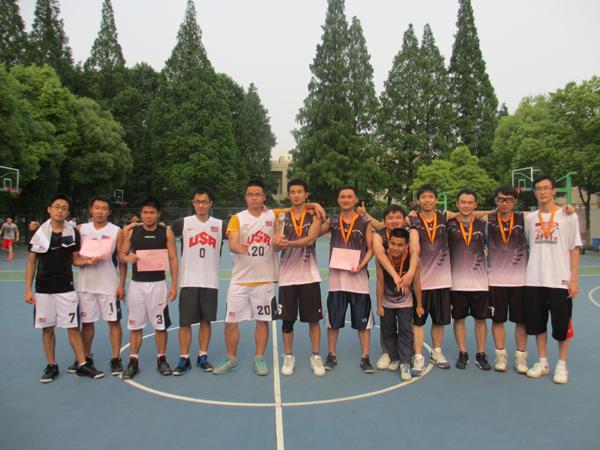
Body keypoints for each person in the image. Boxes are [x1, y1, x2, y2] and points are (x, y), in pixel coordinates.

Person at [25, 194, 104, 382]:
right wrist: (28, 289)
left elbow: (75, 259)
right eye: (57, 206)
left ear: (68, 212)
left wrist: (87, 262)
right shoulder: (39, 233)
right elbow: (31, 263)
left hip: (66, 287)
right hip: (44, 288)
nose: (60, 210)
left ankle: (82, 364)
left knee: (73, 327)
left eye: (64, 208)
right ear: (49, 209)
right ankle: (51, 365)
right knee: (47, 328)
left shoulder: (73, 233)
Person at [213, 180, 279, 376]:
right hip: (240, 281)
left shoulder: (273, 215)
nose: (254, 198)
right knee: (231, 322)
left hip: (264, 280)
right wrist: (236, 247)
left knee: (262, 321)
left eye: (258, 194)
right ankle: (231, 358)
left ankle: (259, 358)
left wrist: (314, 204)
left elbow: (296, 207)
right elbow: (232, 243)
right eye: (250, 194)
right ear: (245, 197)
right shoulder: (238, 218)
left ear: (264, 197)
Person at [524, 175, 581, 384]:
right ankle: (543, 362)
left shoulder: (568, 216)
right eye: (538, 188)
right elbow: (529, 246)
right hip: (534, 280)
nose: (542, 192)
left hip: (560, 280)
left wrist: (574, 279)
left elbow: (574, 249)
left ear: (554, 191)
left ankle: (562, 365)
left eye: (546, 188)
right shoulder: (530, 219)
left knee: (561, 326)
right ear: (535, 192)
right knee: (538, 324)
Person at [119, 197, 178, 379]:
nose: (148, 216)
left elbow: (173, 258)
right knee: (136, 325)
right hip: (137, 285)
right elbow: (121, 254)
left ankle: (161, 360)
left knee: (161, 325)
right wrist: (126, 257)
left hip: (158, 285)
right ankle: (133, 362)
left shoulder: (166, 232)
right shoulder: (133, 232)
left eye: (152, 212)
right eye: (145, 212)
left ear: (158, 214)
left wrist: (174, 285)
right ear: (140, 214)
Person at [272, 179, 325, 377]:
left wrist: (288, 244)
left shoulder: (314, 215)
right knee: (287, 321)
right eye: (292, 192)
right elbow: (276, 247)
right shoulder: (281, 217)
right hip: (287, 278)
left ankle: (316, 356)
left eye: (299, 191)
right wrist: (277, 243)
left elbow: (310, 239)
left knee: (314, 320)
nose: (296, 195)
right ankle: (288, 356)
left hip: (309, 277)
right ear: (288, 195)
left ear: (306, 194)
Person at [170, 187, 226, 375]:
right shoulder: (183, 223)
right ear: (193, 203)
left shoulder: (220, 225)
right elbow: (166, 233)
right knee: (185, 322)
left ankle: (203, 355)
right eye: (197, 202)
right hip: (188, 280)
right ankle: (184, 357)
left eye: (204, 202)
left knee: (206, 321)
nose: (201, 205)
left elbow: (242, 231)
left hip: (210, 281)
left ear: (211, 203)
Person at [69, 195, 127, 376]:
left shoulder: (116, 231)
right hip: (86, 285)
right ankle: (86, 358)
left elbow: (122, 260)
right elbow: (74, 259)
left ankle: (116, 358)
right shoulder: (80, 229)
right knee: (87, 324)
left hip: (109, 285)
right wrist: (86, 262)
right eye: (97, 208)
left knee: (113, 322)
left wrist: (121, 285)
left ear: (109, 211)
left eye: (104, 209)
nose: (100, 211)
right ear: (91, 210)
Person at [358, 204, 420, 372]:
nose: (394, 221)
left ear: (404, 219)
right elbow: (379, 254)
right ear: (384, 221)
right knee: (387, 323)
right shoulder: (379, 235)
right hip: (388, 283)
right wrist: (395, 276)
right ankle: (388, 353)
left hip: (406, 283)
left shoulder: (411, 233)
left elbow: (415, 252)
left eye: (398, 217)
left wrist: (410, 274)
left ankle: (407, 354)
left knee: (406, 323)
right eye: (390, 218)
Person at [321, 186, 374, 373]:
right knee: (333, 322)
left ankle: (365, 357)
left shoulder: (365, 222)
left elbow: (371, 249)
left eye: (349, 196)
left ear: (356, 199)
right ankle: (331, 355)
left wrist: (361, 264)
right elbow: (314, 233)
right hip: (337, 282)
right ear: (338, 200)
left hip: (359, 281)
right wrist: (314, 212)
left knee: (363, 324)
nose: (345, 199)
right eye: (342, 196)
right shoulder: (333, 221)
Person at [408, 185, 454, 374]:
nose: (427, 200)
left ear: (436, 199)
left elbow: (469, 213)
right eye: (423, 197)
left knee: (439, 320)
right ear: (418, 200)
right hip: (420, 281)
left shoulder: (445, 216)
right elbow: (387, 223)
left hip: (442, 280)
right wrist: (365, 216)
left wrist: (494, 211)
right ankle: (418, 356)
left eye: (430, 197)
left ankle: (436, 352)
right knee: (418, 321)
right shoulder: (411, 219)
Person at [447, 189, 491, 371]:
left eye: (470, 202)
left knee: (481, 320)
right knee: (459, 319)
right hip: (456, 283)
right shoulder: (449, 224)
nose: (466, 205)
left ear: (475, 204)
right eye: (463, 202)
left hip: (480, 283)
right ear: (457, 204)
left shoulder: (483, 225)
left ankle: (480, 354)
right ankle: (463, 353)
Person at [486, 186, 529, 373]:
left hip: (520, 281)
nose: (504, 203)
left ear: (515, 201)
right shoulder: (488, 220)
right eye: (500, 199)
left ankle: (521, 357)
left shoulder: (524, 219)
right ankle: (501, 355)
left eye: (508, 199)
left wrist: (565, 208)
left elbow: (547, 213)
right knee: (498, 320)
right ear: (496, 201)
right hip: (496, 280)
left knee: (521, 321)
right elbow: (466, 213)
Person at [376, 228, 423, 381]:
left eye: (400, 245)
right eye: (393, 244)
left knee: (405, 331)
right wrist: (379, 305)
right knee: (388, 331)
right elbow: (380, 282)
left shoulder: (413, 260)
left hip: (405, 303)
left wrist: (419, 305)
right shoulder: (382, 259)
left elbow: (417, 283)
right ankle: (394, 357)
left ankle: (405, 363)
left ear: (407, 245)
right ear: (388, 243)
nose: (395, 248)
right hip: (387, 302)